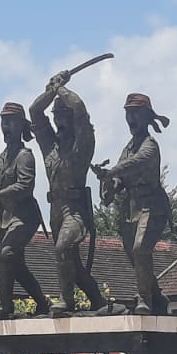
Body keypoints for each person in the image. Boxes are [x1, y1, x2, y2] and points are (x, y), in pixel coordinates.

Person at [30, 71, 107, 316]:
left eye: (64, 113)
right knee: (71, 262)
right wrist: (51, 90)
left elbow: (81, 109)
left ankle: (66, 301)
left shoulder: (83, 141)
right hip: (55, 209)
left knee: (62, 248)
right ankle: (97, 299)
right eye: (56, 114)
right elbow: (34, 111)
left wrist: (61, 88)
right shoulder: (49, 145)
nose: (59, 118)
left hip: (76, 209)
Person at [94, 93, 172, 315]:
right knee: (133, 255)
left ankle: (144, 300)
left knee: (140, 249)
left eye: (135, 113)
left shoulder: (150, 145)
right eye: (128, 113)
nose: (131, 118)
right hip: (130, 208)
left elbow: (135, 164)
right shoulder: (128, 147)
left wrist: (112, 172)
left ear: (147, 116)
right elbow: (120, 178)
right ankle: (157, 296)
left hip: (151, 205)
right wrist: (109, 184)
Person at [0, 102, 52, 319]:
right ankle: (42, 302)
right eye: (3, 121)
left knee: (5, 255)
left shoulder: (25, 156)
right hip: (5, 218)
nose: (6, 126)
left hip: (24, 217)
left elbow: (25, 186)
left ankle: (6, 306)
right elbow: (0, 190)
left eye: (10, 121)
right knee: (17, 265)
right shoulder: (2, 157)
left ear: (21, 125)